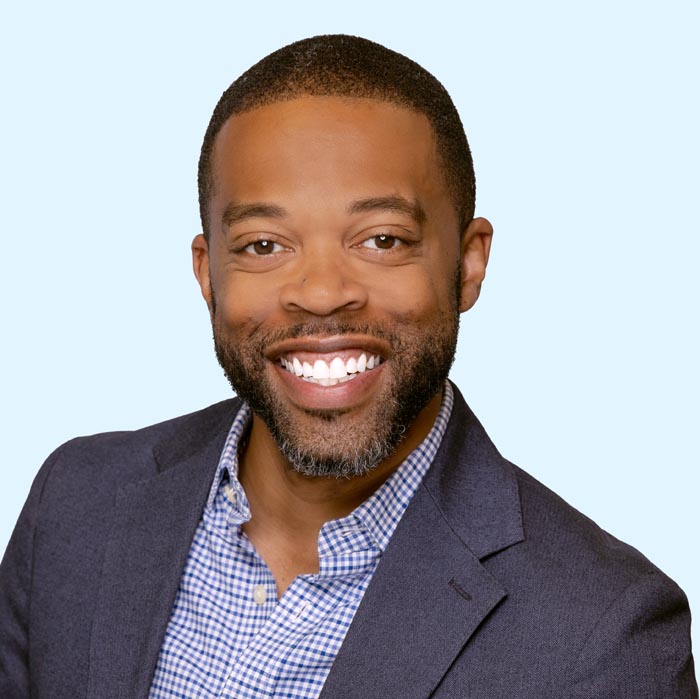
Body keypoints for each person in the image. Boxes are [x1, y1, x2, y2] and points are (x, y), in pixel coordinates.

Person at [0, 34, 696, 699]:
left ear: (468, 263)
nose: (323, 292)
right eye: (264, 244)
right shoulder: (75, 503)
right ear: (208, 273)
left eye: (382, 239)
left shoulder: (602, 636)